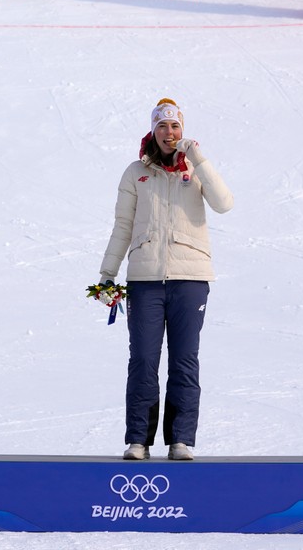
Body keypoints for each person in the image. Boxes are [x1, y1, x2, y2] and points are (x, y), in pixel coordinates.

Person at [99, 98, 233, 461]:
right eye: (162, 126)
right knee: (143, 359)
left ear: (183, 130)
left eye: (175, 127)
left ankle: (181, 440)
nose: (169, 133)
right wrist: (107, 273)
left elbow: (223, 203)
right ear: (153, 130)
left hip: (190, 279)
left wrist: (199, 160)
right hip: (145, 279)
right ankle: (138, 441)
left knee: (184, 360)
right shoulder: (135, 173)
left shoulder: (195, 168)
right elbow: (123, 225)